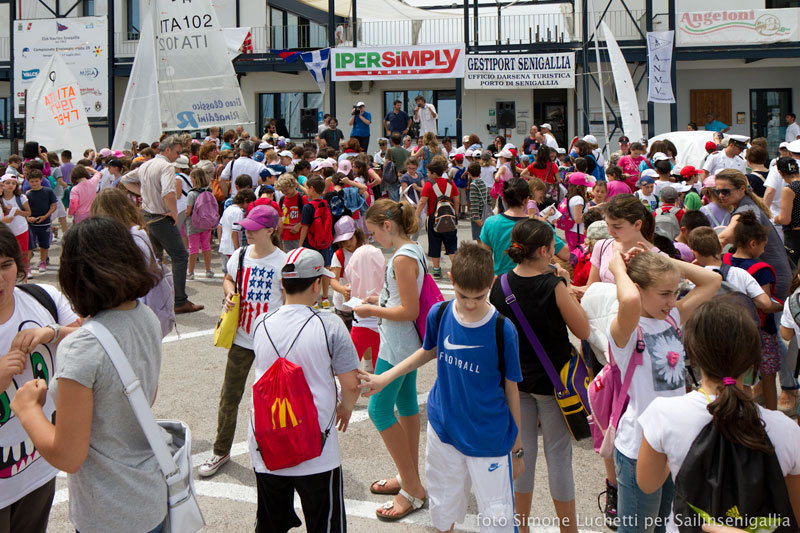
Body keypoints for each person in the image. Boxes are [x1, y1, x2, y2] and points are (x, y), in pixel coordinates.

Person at [11, 216, 166, 533]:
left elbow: (67, 457)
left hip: (108, 512)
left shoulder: (81, 348)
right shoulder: (146, 317)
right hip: (151, 497)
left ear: (75, 276)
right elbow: (146, 395)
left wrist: (27, 409)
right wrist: (54, 332)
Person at [360, 242, 522, 531]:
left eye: (479, 297)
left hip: (490, 439)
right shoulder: (440, 312)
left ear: (491, 284)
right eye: (462, 296)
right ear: (452, 282)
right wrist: (385, 378)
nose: (470, 304)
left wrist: (517, 449)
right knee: (442, 511)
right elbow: (427, 351)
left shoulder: (503, 330)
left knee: (497, 520)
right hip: (443, 431)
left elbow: (512, 390)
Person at [637, 298, 800, 533]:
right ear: (753, 360)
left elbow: (648, 483)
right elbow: (795, 515)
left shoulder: (663, 415)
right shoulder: (787, 430)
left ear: (692, 354)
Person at [607, 249, 720, 533]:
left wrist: (663, 260)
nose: (673, 301)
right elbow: (630, 300)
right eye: (665, 294)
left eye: (676, 292)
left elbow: (711, 282)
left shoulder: (671, 318)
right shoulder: (627, 331)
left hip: (672, 445)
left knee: (663, 528)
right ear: (637, 289)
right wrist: (618, 267)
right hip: (637, 448)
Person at [249, 247, 360, 533]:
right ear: (316, 284)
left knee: (270, 523)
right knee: (325, 523)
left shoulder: (261, 323)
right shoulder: (330, 324)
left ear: (283, 283)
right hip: (315, 446)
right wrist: (345, 408)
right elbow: (350, 384)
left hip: (267, 443)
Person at [489, 220, 590, 533]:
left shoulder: (500, 284)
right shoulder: (553, 285)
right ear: (544, 250)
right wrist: (564, 281)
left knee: (523, 455)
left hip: (515, 383)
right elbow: (583, 329)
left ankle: (522, 526)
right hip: (554, 383)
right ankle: (567, 528)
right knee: (558, 456)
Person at [348, 199, 427, 520]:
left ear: (388, 226)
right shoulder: (411, 250)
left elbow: (410, 310)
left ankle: (412, 488)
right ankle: (410, 478)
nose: (372, 239)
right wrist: (377, 299)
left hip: (396, 345)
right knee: (406, 405)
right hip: (402, 343)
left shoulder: (402, 257)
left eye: (373, 232)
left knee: (379, 409)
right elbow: (405, 301)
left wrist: (371, 310)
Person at [0, 223, 80, 532]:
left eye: (6, 265)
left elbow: (97, 338)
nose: (1, 278)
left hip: (39, 465)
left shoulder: (43, 298)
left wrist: (54, 331)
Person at [199, 205, 287, 478]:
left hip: (271, 343)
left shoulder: (284, 261)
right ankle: (221, 449)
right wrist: (228, 294)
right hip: (241, 339)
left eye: (254, 228)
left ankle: (277, 450)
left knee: (274, 400)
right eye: (246, 227)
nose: (247, 232)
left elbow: (289, 301)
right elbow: (228, 279)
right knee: (229, 398)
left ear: (271, 230)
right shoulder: (239, 255)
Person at [121, 135, 203, 314]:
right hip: (160, 216)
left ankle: (155, 298)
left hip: (148, 216)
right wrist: (173, 211)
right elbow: (168, 192)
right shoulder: (165, 166)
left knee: (157, 259)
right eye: (177, 152)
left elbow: (125, 180)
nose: (177, 156)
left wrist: (143, 193)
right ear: (167, 150)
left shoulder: (147, 164)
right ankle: (180, 300)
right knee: (180, 256)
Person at [724, 211, 784, 411]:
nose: (764, 249)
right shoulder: (761, 269)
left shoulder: (725, 260)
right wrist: (781, 305)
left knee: (738, 375)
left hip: (731, 326)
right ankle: (772, 413)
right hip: (761, 330)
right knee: (768, 374)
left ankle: (737, 410)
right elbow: (764, 303)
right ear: (752, 243)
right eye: (763, 245)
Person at [716, 169, 792, 300]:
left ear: (742, 189)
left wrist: (703, 254)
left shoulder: (746, 209)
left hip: (772, 279)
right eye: (718, 191)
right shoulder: (746, 205)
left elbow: (725, 237)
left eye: (726, 191)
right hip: (769, 276)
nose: (721, 195)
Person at [481, 178, 568, 276]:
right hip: (534, 283)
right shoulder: (541, 226)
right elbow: (565, 253)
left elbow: (485, 259)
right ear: (527, 200)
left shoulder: (490, 223)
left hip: (501, 282)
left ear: (504, 199)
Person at [414, 156, 459, 278]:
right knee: (451, 244)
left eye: (428, 172)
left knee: (434, 243)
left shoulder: (429, 185)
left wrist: (416, 216)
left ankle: (437, 269)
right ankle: (456, 269)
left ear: (434, 173)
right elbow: (457, 200)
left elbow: (422, 201)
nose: (427, 174)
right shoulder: (451, 183)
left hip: (433, 219)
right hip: (450, 217)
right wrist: (455, 214)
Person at [298, 176, 334, 309]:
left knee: (312, 271)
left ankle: (313, 300)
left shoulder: (308, 207)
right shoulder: (326, 204)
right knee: (325, 270)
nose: (306, 191)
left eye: (307, 188)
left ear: (312, 189)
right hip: (325, 243)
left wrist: (300, 244)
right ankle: (325, 298)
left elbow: (305, 227)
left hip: (311, 243)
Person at [24, 169, 56, 275]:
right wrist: (28, 218)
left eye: (36, 181)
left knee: (44, 244)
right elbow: (25, 210)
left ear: (41, 180)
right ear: (28, 182)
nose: (34, 183)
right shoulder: (27, 194)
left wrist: (45, 216)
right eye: (32, 181)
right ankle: (27, 266)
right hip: (31, 224)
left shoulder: (48, 191)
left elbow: (53, 206)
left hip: (45, 223)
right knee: (29, 246)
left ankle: (43, 262)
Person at [185, 168, 215, 280]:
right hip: (207, 223)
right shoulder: (209, 191)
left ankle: (191, 272)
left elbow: (188, 211)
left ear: (194, 179)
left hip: (194, 223)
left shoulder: (192, 194)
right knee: (206, 246)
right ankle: (208, 270)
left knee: (193, 248)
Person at [1, 174, 31, 274]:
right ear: (2, 184)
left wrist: (18, 212)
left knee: (23, 252)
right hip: (5, 231)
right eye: (8, 183)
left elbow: (28, 213)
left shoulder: (21, 197)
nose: (11, 185)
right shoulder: (1, 199)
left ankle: (25, 272)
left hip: (20, 229)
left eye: (13, 183)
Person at [774, 157, 800, 264]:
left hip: (794, 236)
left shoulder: (789, 189)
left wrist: (777, 218)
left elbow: (785, 219)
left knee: (793, 271)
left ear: (780, 172)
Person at [385, 132, 410, 202]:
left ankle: (396, 212)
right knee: (404, 198)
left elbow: (386, 164)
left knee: (393, 199)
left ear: (392, 141)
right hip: (404, 176)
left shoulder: (390, 151)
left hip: (392, 177)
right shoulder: (407, 152)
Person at [468, 162, 490, 241]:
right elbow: (488, 198)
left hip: (478, 215)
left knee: (480, 239)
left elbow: (474, 202)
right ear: (480, 172)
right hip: (485, 214)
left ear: (469, 173)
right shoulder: (483, 183)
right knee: (485, 239)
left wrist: (475, 217)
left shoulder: (473, 185)